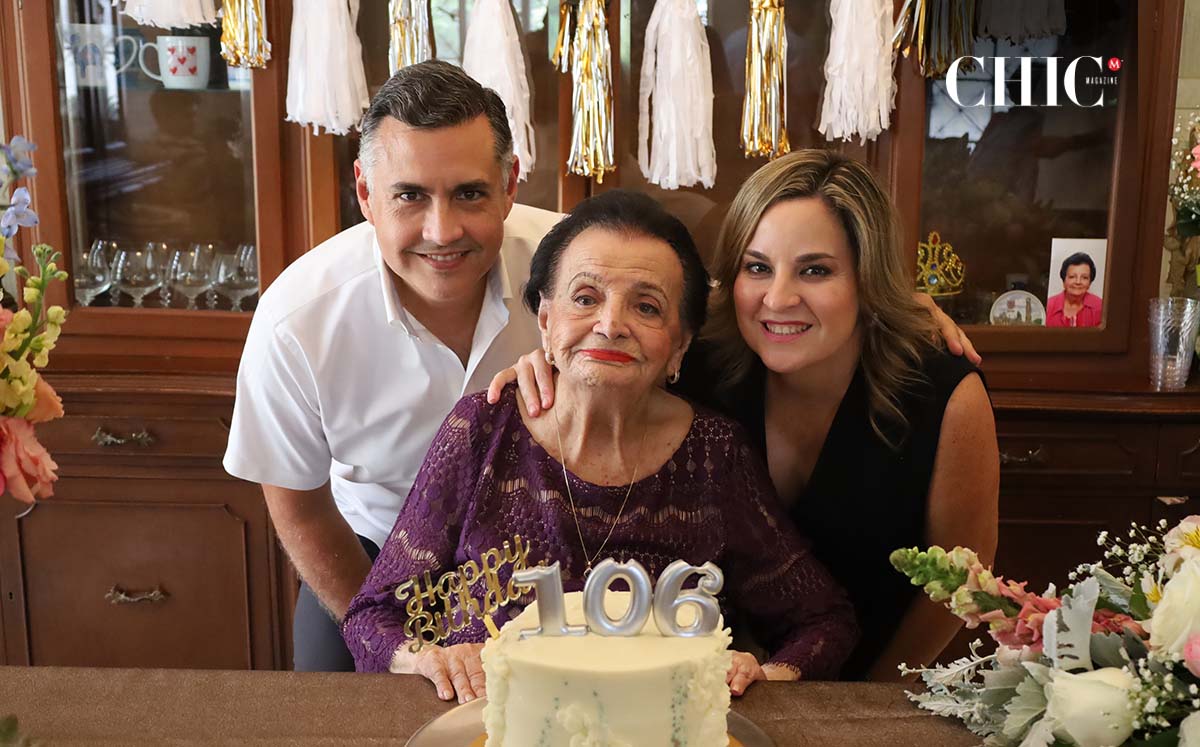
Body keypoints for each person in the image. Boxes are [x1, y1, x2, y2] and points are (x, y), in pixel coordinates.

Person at [491, 150, 999, 681]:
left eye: (816, 271)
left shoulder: (940, 393)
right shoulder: (701, 364)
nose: (777, 298)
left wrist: (876, 701)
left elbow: (961, 581)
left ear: (866, 279)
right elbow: (613, 346)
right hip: (736, 683)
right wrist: (548, 363)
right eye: (758, 267)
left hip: (883, 676)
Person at [342, 190, 858, 701]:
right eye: (585, 298)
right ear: (545, 320)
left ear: (680, 344)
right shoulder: (483, 428)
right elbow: (373, 615)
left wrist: (765, 676)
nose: (610, 326)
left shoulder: (714, 455)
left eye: (647, 307)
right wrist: (430, 659)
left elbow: (823, 620)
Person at [222, 60, 561, 671]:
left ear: (510, 184)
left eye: (469, 193)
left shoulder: (577, 275)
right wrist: (392, 644)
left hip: (551, 552)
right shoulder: (296, 319)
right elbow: (298, 504)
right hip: (373, 555)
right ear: (365, 194)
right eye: (410, 195)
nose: (442, 230)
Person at [1046, 252, 1103, 327]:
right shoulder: (1048, 306)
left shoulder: (1100, 306)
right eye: (1072, 277)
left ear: (1090, 283)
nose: (1078, 282)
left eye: (1084, 277)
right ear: (1064, 280)